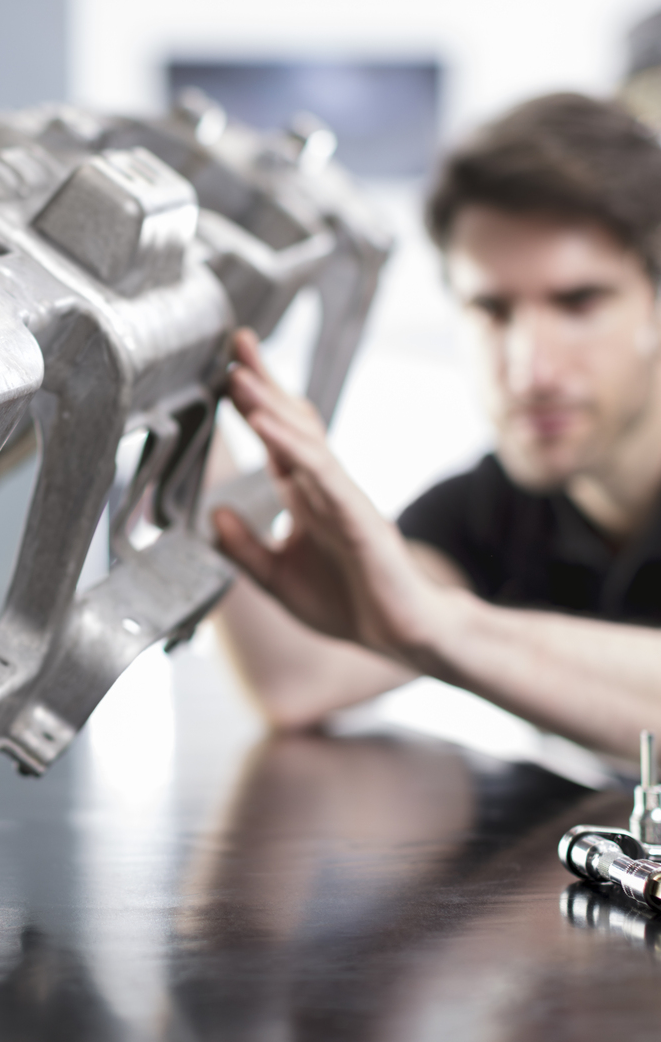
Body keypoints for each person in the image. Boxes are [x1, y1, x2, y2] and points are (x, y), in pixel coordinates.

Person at [212, 92, 661, 761]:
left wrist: (445, 627)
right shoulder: (493, 503)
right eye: (492, 309)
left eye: (578, 302)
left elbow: (430, 620)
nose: (529, 368)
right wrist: (189, 395)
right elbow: (299, 678)